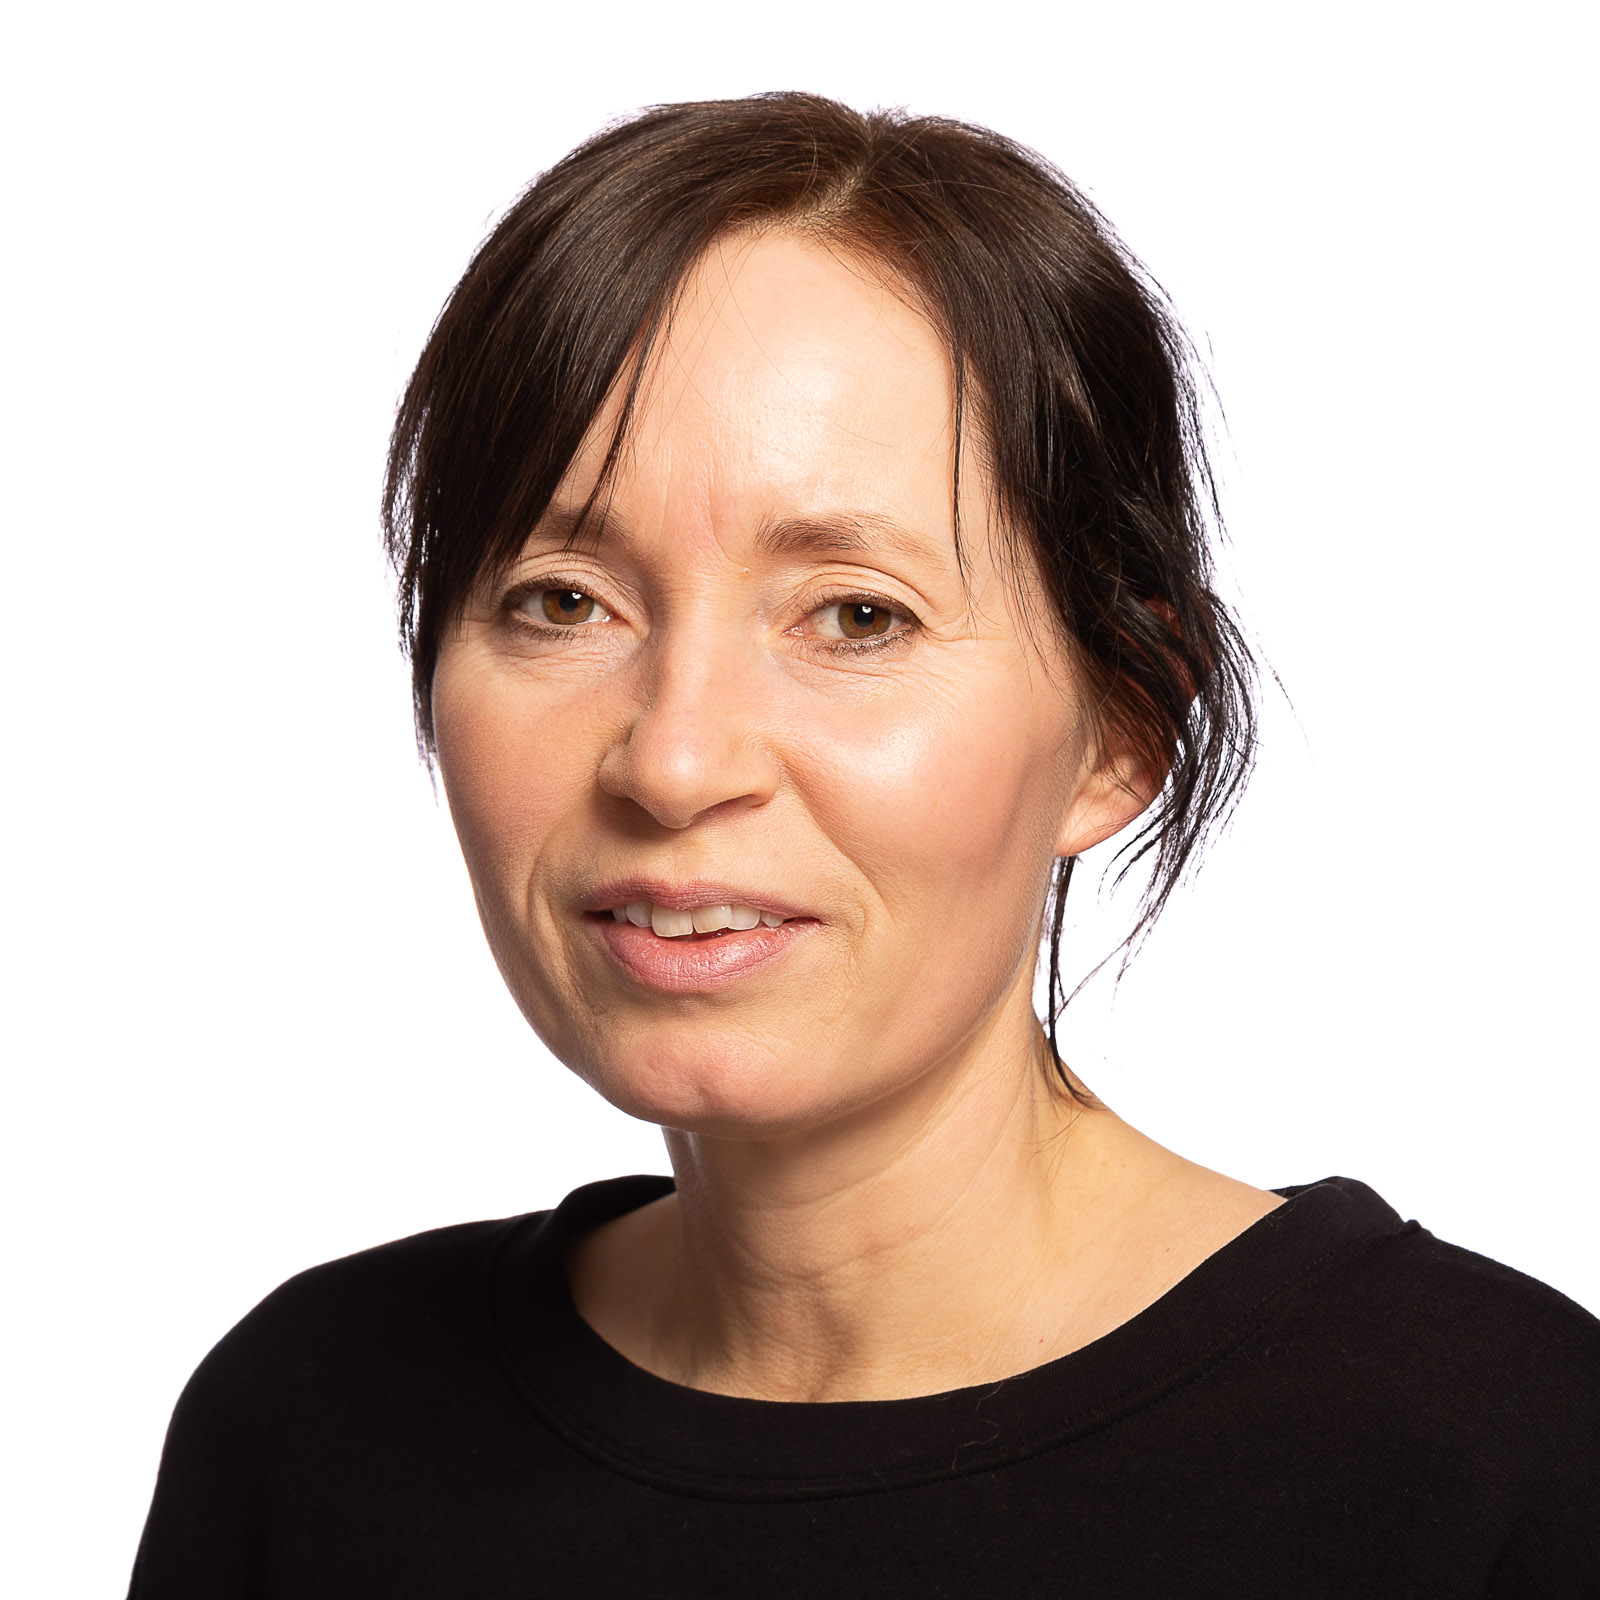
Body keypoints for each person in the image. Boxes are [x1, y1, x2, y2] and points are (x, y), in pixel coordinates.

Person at [128, 93, 1599, 1597]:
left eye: (855, 616)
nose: (674, 761)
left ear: (1121, 729)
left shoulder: (1496, 1462)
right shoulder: (314, 1426)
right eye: (565, 601)